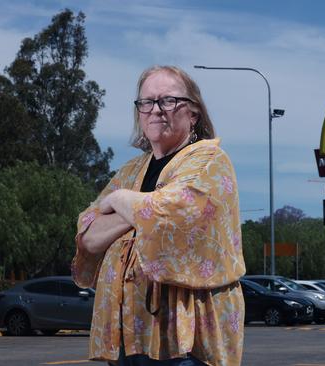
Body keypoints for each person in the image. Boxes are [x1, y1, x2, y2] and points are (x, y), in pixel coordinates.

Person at [72, 65, 245, 366]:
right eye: (147, 102)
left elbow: (172, 210)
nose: (156, 110)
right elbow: (88, 235)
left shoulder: (209, 160)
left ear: (194, 113)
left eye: (168, 101)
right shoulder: (131, 170)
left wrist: (118, 199)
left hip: (184, 342)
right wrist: (144, 210)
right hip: (130, 336)